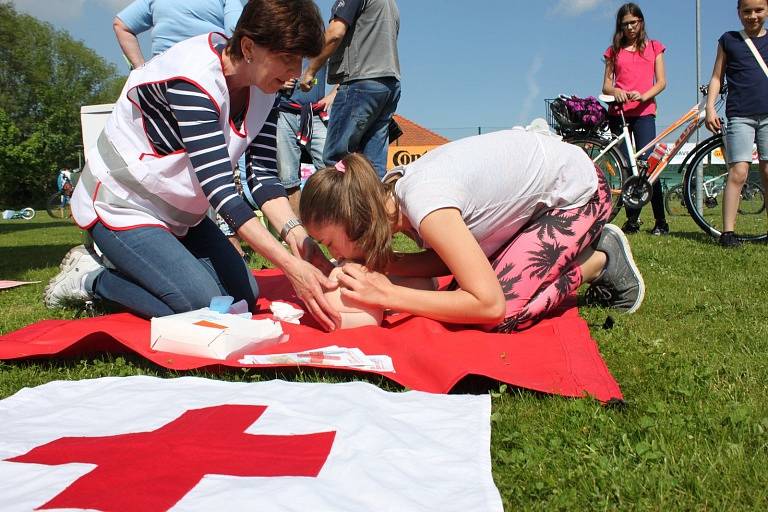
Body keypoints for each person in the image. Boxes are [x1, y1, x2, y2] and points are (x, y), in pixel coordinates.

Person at [45, 0, 341, 331]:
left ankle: (141, 266)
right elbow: (220, 190)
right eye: (287, 59)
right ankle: (90, 280)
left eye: (299, 61)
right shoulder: (193, 78)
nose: (295, 73)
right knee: (200, 309)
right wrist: (290, 265)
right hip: (123, 205)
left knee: (243, 294)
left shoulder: (266, 89)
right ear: (248, 47)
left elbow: (262, 178)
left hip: (181, 212)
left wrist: (301, 242)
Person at [299, 128, 646, 332]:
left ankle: (600, 259)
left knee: (509, 312)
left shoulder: (425, 204)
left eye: (330, 242)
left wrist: (388, 295)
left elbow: (489, 305)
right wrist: (385, 266)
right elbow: (447, 260)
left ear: (357, 223)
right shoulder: (394, 195)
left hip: (579, 195)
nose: (334, 255)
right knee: (476, 284)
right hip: (543, 197)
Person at [299, 0, 401, 178]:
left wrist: (310, 70)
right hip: (389, 83)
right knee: (373, 166)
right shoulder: (389, 4)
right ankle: (373, 205)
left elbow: (335, 33)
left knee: (336, 162)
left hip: (360, 83)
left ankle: (342, 207)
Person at [705, 0, 768, 248]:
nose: (753, 16)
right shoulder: (729, 40)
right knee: (739, 171)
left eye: (759, 10)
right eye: (747, 11)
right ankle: (728, 233)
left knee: (767, 171)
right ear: (739, 12)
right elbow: (717, 76)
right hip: (740, 114)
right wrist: (710, 107)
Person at [602, 3, 668, 235]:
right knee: (626, 168)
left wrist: (644, 96)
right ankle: (632, 221)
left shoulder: (654, 47)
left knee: (650, 167)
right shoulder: (613, 51)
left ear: (641, 22)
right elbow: (606, 85)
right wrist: (615, 91)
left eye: (634, 22)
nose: (630, 27)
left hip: (644, 114)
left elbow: (661, 82)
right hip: (618, 114)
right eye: (625, 24)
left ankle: (661, 221)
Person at [113, 0, 244, 69]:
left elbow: (120, 25)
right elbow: (237, 34)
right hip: (208, 74)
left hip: (162, 77)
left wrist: (141, 68)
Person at [276, 62, 335, 213]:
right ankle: (298, 232)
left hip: (315, 114)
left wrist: (334, 94)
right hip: (283, 112)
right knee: (288, 178)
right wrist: (278, 82)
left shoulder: (324, 42)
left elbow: (349, 68)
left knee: (333, 171)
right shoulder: (282, 40)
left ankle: (333, 224)